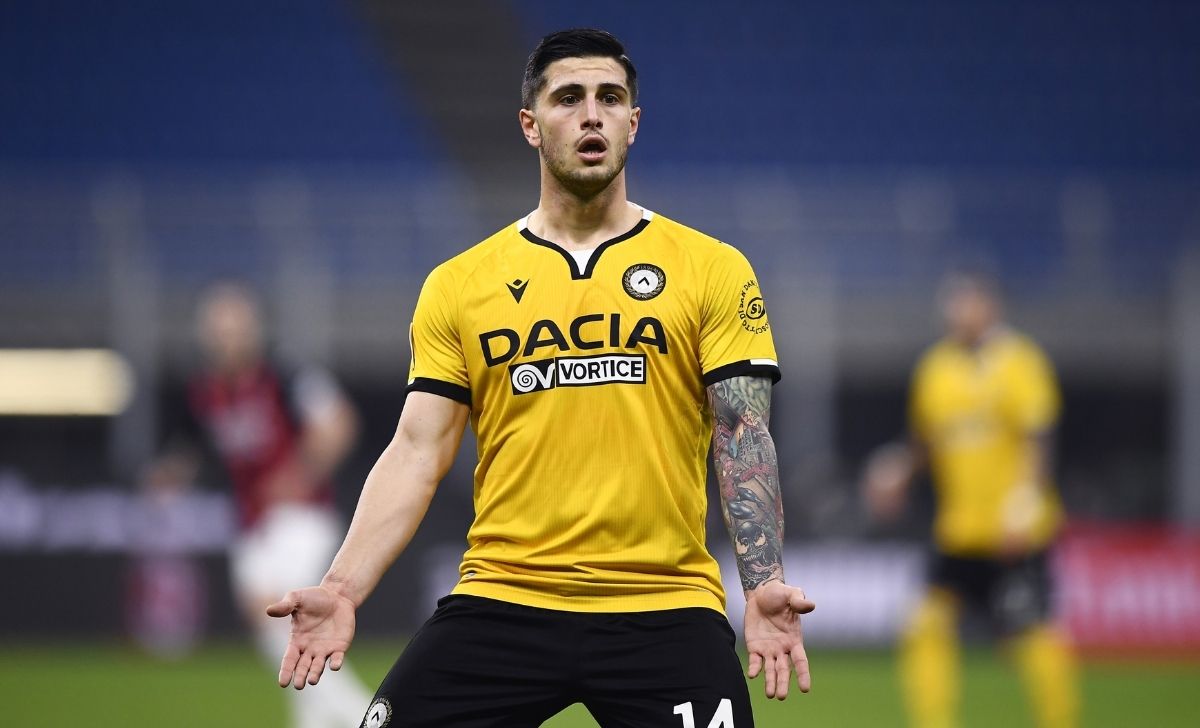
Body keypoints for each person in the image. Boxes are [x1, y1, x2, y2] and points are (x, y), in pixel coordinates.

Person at [267, 28, 814, 727]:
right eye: (568, 98)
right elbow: (417, 450)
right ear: (531, 124)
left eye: (609, 98)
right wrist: (342, 587)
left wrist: (762, 583)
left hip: (664, 604)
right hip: (503, 598)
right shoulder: (460, 285)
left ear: (633, 123)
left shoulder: (712, 268)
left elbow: (742, 432)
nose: (591, 115)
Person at [862, 270, 1079, 728]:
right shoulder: (935, 368)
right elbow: (925, 440)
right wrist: (899, 470)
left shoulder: (1020, 361)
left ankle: (1058, 721)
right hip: (959, 529)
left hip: (1013, 529)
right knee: (925, 624)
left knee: (1030, 630)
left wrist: (1025, 501)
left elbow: (1039, 438)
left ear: (990, 307)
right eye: (953, 305)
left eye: (967, 304)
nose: (957, 314)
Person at [150, 281, 372, 728]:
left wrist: (299, 473)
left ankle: (366, 716)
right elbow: (189, 448)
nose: (227, 340)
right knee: (278, 626)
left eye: (235, 328)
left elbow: (339, 424)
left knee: (281, 612)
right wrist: (169, 477)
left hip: (302, 516)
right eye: (218, 330)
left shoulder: (287, 375)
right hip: (252, 523)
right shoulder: (204, 391)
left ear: (253, 329)